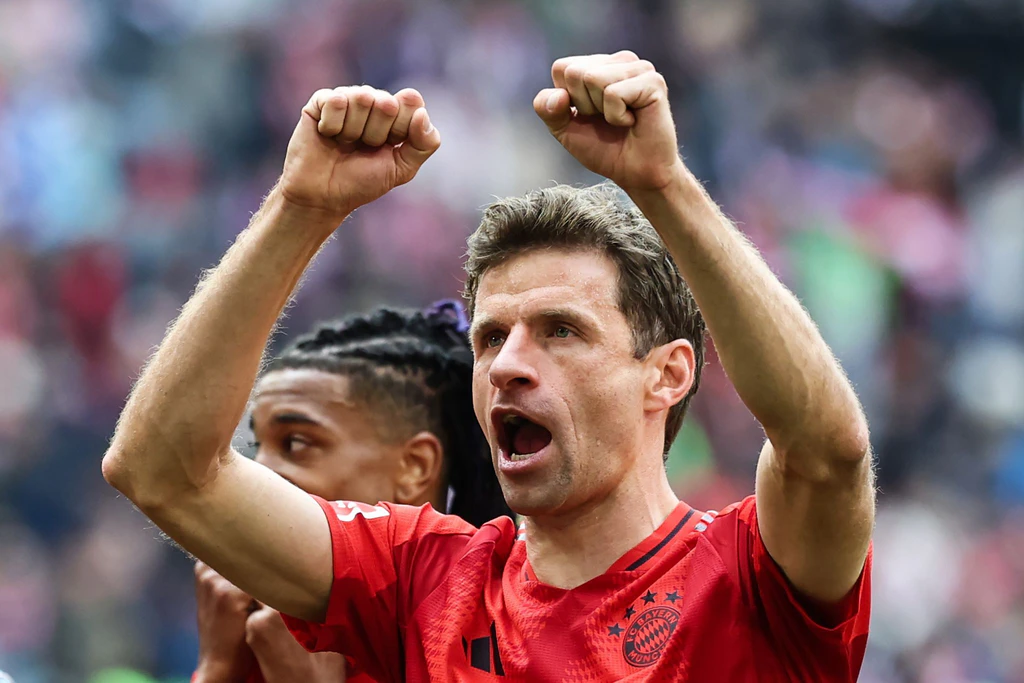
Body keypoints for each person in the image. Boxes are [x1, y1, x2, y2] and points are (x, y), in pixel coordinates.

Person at [104, 53, 874, 680]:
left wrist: (664, 186)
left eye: (561, 331)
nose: (507, 363)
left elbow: (827, 449)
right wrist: (300, 207)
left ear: (668, 373)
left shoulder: (749, 573)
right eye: (491, 336)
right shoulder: (422, 580)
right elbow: (162, 470)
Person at [192, 302, 511, 682]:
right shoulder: (249, 629)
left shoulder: (499, 638)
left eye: (295, 443)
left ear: (415, 467)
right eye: (258, 445)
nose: (256, 471)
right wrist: (217, 667)